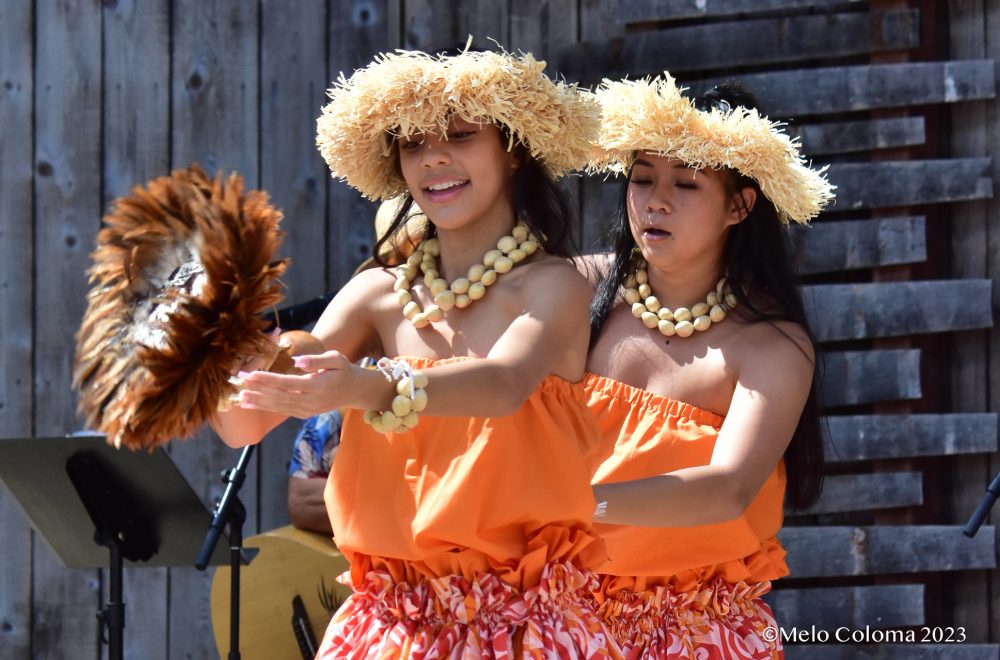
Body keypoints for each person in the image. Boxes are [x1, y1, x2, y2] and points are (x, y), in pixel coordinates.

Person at [213, 46, 620, 657]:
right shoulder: (376, 295)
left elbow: (504, 385)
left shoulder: (551, 285)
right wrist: (207, 340)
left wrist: (370, 386)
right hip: (384, 630)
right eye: (411, 144)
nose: (433, 157)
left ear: (511, 148)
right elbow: (245, 422)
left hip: (521, 626)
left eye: (459, 135)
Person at [582, 76, 833, 658]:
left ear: (740, 205)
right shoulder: (578, 291)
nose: (656, 199)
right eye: (641, 178)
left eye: (685, 183)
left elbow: (726, 490)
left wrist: (571, 501)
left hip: (696, 634)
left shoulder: (771, 346)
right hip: (556, 614)